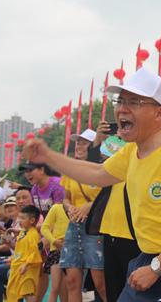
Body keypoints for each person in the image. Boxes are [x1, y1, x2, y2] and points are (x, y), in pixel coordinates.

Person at [23, 68, 161, 302]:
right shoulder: (133, 150)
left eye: (134, 102)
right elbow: (99, 173)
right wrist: (49, 157)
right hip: (148, 257)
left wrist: (157, 267)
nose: (122, 109)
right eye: (120, 101)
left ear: (159, 113)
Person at [89, 121, 139, 302]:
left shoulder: (137, 155)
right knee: (112, 292)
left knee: (135, 291)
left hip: (133, 236)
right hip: (109, 233)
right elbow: (93, 171)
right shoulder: (113, 165)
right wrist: (97, 142)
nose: (119, 135)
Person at [58, 128, 107, 302]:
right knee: (71, 281)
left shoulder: (102, 167)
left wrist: (89, 206)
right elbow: (66, 198)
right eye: (78, 143)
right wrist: (69, 207)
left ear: (94, 146)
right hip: (74, 227)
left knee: (100, 283)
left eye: (84, 143)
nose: (79, 146)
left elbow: (110, 196)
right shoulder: (71, 169)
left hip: (95, 227)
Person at [6, 205, 43, 302]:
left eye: (22, 218)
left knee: (26, 293)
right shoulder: (21, 232)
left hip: (27, 268)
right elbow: (17, 248)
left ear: (32, 220)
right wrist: (4, 237)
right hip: (17, 267)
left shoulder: (34, 234)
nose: (19, 221)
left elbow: (35, 252)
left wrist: (26, 264)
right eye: (19, 218)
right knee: (16, 292)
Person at [0, 196, 20, 302]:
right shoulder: (12, 224)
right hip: (13, 259)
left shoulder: (20, 222)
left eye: (12, 206)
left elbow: (5, 246)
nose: (9, 208)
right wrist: (3, 234)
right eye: (7, 206)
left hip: (20, 261)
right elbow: (5, 242)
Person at [41, 203, 69, 302]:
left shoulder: (79, 207)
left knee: (69, 285)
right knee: (55, 286)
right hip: (56, 250)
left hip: (72, 249)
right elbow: (44, 228)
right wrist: (54, 241)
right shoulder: (56, 208)